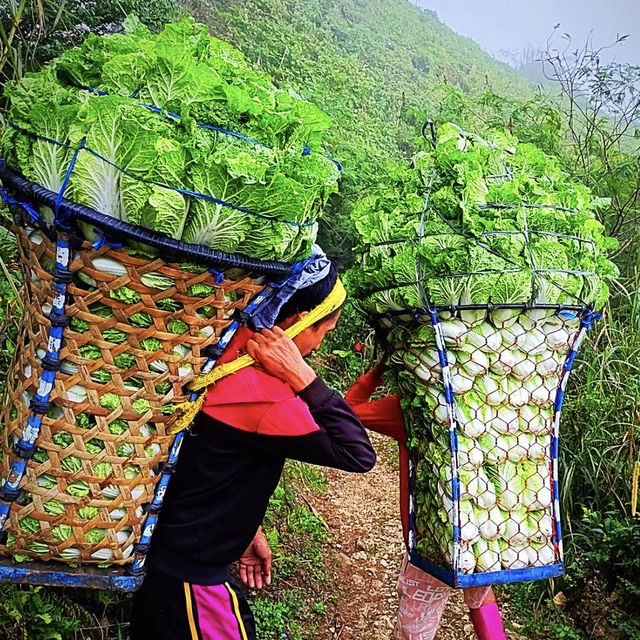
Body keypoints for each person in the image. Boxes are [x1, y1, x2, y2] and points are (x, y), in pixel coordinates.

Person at [130, 264, 376, 640]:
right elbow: (357, 452)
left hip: (164, 564)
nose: (320, 345)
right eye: (324, 332)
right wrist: (301, 374)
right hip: (192, 581)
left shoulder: (220, 352)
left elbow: (212, 463)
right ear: (298, 320)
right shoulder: (265, 395)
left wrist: (246, 531)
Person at [345, 363, 507, 640]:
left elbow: (347, 410)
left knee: (416, 623)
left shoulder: (406, 409)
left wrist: (375, 373)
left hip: (430, 537)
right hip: (485, 529)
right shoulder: (492, 404)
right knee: (481, 591)